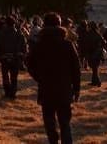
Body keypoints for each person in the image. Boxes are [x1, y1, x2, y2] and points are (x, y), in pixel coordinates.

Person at [27, 12, 81, 144]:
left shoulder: (39, 45)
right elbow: (76, 68)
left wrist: (40, 78)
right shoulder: (67, 45)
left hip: (46, 88)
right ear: (59, 25)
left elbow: (29, 64)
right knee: (65, 123)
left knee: (49, 122)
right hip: (64, 88)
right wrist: (77, 88)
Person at [0, 16, 27, 100]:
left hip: (4, 57)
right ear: (14, 23)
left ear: (6, 24)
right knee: (14, 77)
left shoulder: (1, 33)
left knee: (5, 76)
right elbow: (24, 47)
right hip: (15, 58)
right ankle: (13, 93)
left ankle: (7, 92)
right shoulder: (19, 33)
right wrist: (22, 55)